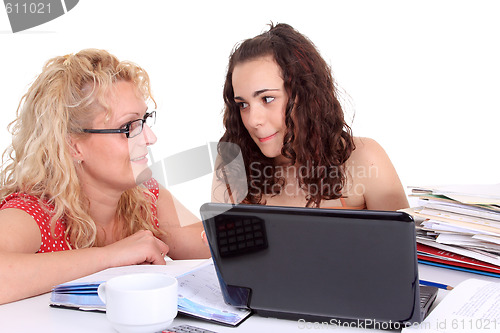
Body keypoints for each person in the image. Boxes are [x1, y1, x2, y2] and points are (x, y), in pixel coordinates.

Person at [0, 49, 210, 305]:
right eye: (128, 127)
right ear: (73, 146)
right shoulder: (36, 212)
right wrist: (110, 256)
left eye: (144, 120)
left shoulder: (146, 197)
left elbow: (216, 247)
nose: (149, 138)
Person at [212, 23, 409, 211]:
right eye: (243, 104)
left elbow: (405, 245)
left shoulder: (366, 159)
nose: (253, 120)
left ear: (305, 95)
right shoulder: (234, 162)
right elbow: (216, 243)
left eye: (268, 98)